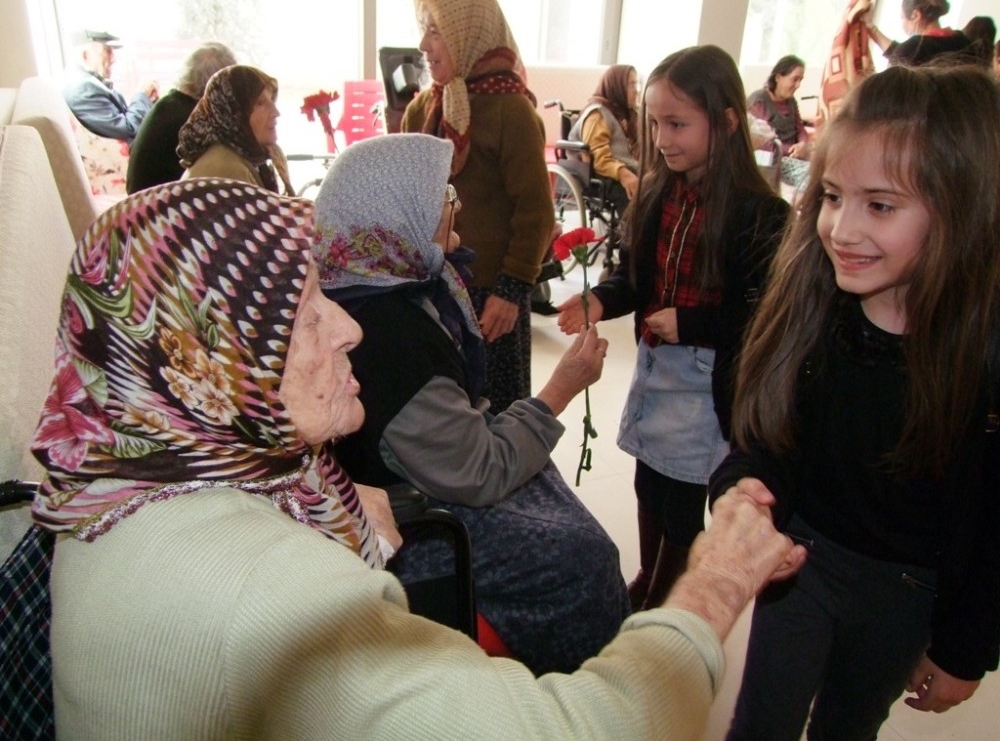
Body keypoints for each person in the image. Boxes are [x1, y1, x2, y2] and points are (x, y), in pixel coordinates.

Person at [32, 178, 806, 740]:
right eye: (304, 316)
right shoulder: (263, 590)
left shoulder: (127, 473)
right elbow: (578, 731)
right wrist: (717, 582)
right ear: (201, 356)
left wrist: (356, 499)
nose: (348, 330)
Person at [709, 64, 1000, 741]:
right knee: (761, 723)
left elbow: (992, 523)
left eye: (881, 205)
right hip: (803, 565)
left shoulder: (983, 357)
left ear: (962, 207)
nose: (840, 228)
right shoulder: (814, 309)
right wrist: (742, 490)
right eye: (833, 196)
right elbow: (765, 438)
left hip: (906, 592)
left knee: (847, 728)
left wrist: (965, 648)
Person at [313, 132, 629, 675]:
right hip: (417, 523)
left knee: (557, 501)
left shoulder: (380, 283)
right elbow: (480, 469)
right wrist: (562, 387)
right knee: (583, 560)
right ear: (401, 212)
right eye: (446, 195)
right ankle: (584, 705)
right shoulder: (386, 336)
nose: (456, 205)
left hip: (430, 474)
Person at [556, 46, 790, 613]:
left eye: (678, 124)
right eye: (655, 123)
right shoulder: (659, 193)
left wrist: (689, 322)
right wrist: (598, 298)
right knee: (648, 482)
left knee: (685, 497)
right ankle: (650, 574)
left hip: (708, 383)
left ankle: (667, 595)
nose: (662, 138)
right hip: (657, 367)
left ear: (728, 121)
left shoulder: (761, 215)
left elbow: (758, 318)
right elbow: (634, 277)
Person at [401, 0, 553, 413]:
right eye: (423, 30)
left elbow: (536, 212)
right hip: (431, 288)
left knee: (496, 411)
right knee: (443, 412)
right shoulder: (423, 110)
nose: (424, 45)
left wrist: (511, 290)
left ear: (467, 32)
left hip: (491, 298)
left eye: (437, 31)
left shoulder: (511, 111)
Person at [126, 42, 237, 193]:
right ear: (221, 83)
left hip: (141, 207)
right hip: (161, 211)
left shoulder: (168, 105)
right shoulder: (195, 119)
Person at [177, 64, 292, 194]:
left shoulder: (242, 157)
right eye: (260, 103)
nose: (275, 112)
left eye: (272, 100)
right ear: (231, 113)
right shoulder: (225, 170)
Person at [62, 29, 159, 143]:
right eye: (107, 51)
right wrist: (142, 95)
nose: (113, 59)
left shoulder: (87, 84)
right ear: (86, 55)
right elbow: (130, 129)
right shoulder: (83, 89)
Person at [567, 64, 641, 207]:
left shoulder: (629, 114)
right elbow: (601, 160)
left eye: (637, 85)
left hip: (631, 168)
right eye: (631, 85)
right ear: (616, 86)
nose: (636, 91)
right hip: (606, 174)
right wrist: (624, 175)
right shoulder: (597, 115)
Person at [747, 55, 811, 192]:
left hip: (795, 155)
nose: (798, 85)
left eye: (800, 80)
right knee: (811, 178)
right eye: (795, 79)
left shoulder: (791, 102)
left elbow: (800, 128)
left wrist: (803, 144)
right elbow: (764, 141)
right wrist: (793, 150)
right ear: (778, 77)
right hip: (773, 158)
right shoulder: (759, 100)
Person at [866, 0, 974, 67]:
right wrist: (871, 28)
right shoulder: (963, 41)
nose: (902, 24)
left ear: (915, 15)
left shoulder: (913, 50)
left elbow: (903, 54)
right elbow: (898, 53)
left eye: (902, 17)